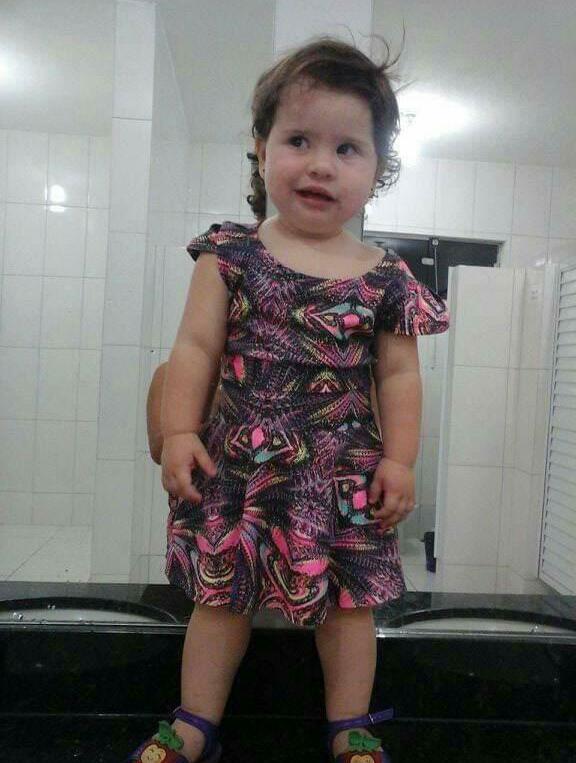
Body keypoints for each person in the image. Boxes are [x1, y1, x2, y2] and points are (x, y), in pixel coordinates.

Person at [128, 35, 449, 763]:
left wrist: (401, 460)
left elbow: (400, 378)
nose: (320, 164)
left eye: (347, 149)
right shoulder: (229, 254)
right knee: (219, 598)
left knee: (350, 607)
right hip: (240, 469)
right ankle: (194, 723)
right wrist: (178, 430)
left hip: (343, 478)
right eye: (299, 140)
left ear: (377, 170)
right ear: (261, 148)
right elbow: (195, 349)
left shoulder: (387, 277)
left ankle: (350, 727)